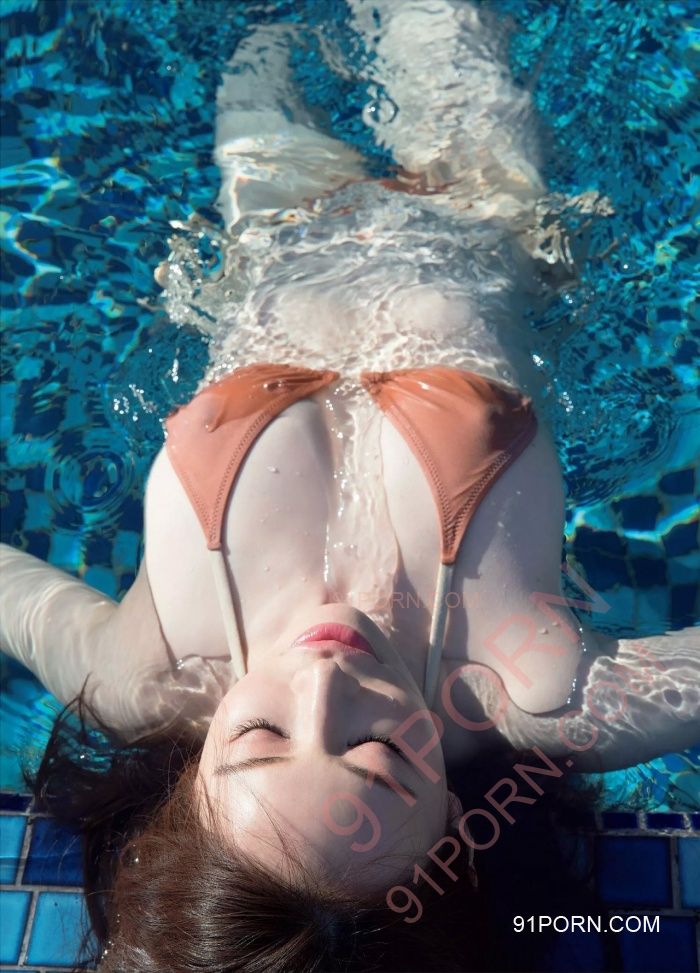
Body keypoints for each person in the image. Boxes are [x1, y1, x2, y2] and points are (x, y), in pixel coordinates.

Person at [1, 3, 698, 971]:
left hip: (273, 220)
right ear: (453, 820)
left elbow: (10, 590)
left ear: (187, 787)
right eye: (384, 754)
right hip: (480, 204)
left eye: (260, 734)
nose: (327, 683)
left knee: (265, 34)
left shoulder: (145, 669)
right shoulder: (536, 687)